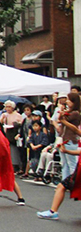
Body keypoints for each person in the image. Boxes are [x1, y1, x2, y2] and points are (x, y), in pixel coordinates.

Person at [37, 92, 81, 220]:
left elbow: (75, 129)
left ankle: (53, 211)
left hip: (74, 150)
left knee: (66, 178)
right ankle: (53, 211)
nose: (66, 102)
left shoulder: (75, 113)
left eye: (68, 100)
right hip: (68, 145)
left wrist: (62, 118)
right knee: (63, 180)